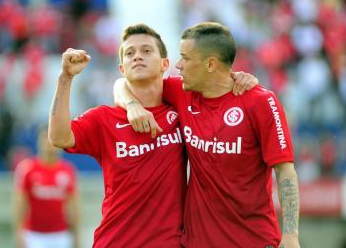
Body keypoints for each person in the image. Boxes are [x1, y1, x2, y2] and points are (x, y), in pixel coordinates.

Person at [48, 23, 256, 247]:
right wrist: (65, 78)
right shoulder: (104, 118)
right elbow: (59, 137)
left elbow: (216, 85)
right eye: (130, 53)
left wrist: (238, 78)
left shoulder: (182, 110)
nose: (137, 57)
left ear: (165, 64)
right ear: (122, 69)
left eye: (146, 51)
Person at [115, 22, 300, 248]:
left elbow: (285, 171)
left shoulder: (261, 102)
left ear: (210, 64)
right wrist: (132, 105)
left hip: (253, 241)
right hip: (196, 243)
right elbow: (124, 83)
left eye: (186, 58)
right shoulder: (183, 93)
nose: (179, 65)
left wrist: (291, 236)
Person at [13, 126, 81, 248]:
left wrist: (76, 236)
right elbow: (20, 205)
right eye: (45, 138)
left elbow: (73, 206)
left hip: (60, 235)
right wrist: (19, 233)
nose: (49, 143)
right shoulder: (27, 169)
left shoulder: (67, 170)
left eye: (51, 138)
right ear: (39, 141)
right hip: (34, 236)